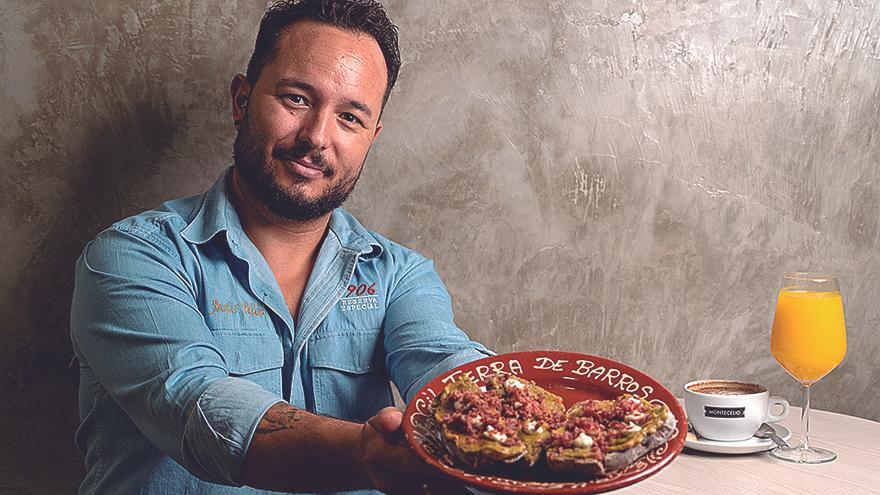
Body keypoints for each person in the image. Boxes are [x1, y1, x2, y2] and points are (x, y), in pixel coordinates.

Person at [69, 1, 492, 493]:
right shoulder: (131, 258)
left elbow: (444, 363)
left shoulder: (400, 277)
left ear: (371, 137)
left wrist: (517, 427)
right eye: (295, 99)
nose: (316, 137)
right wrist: (363, 451)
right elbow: (196, 406)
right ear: (241, 100)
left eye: (350, 118)